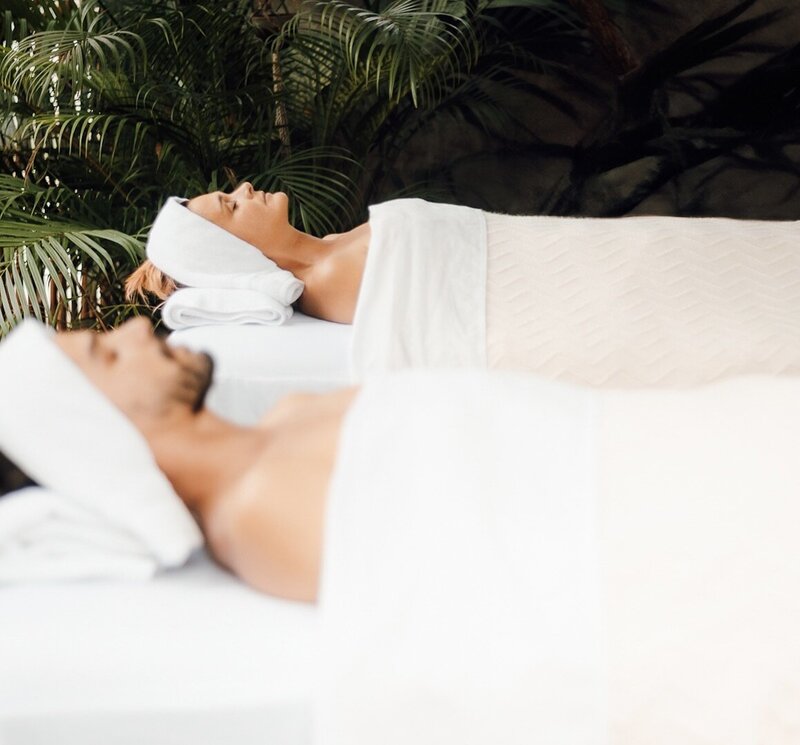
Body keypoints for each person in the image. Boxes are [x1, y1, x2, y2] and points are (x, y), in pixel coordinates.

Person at [126, 183, 370, 324]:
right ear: (233, 251)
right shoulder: (333, 277)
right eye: (233, 206)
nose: (245, 188)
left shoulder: (331, 247)